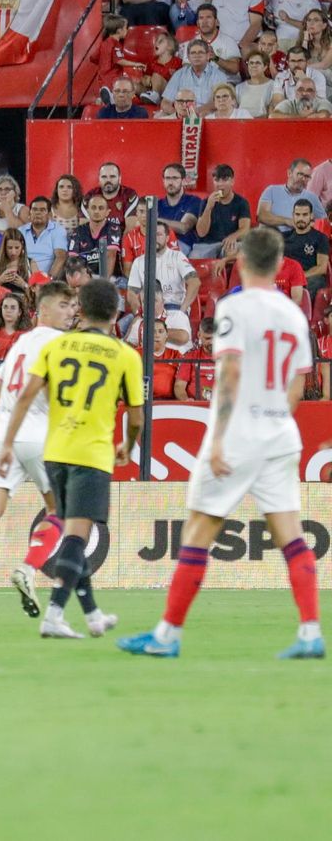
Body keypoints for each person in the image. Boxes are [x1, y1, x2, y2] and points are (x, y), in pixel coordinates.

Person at [133, 229, 325, 659]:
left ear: (239, 262)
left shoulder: (234, 307)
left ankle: (167, 635)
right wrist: (275, 420)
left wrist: (219, 438)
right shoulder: (294, 315)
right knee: (292, 535)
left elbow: (232, 372)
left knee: (199, 529)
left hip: (239, 432)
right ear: (279, 266)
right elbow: (299, 382)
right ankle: (310, 632)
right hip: (280, 432)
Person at [0, 277, 144, 639]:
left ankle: (92, 615)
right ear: (115, 313)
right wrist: (128, 442)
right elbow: (137, 417)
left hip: (55, 451)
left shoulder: (58, 347)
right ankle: (54, 614)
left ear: (81, 309)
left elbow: (25, 396)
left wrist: (6, 443)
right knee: (78, 538)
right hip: (91, 454)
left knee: (68, 530)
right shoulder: (126, 355)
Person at [0, 282, 76, 625]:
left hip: (1, 435)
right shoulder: (61, 344)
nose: (71, 312)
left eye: (72, 306)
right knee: (60, 509)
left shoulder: (20, 344)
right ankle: (28, 568)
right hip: (38, 434)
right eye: (64, 306)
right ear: (45, 311)